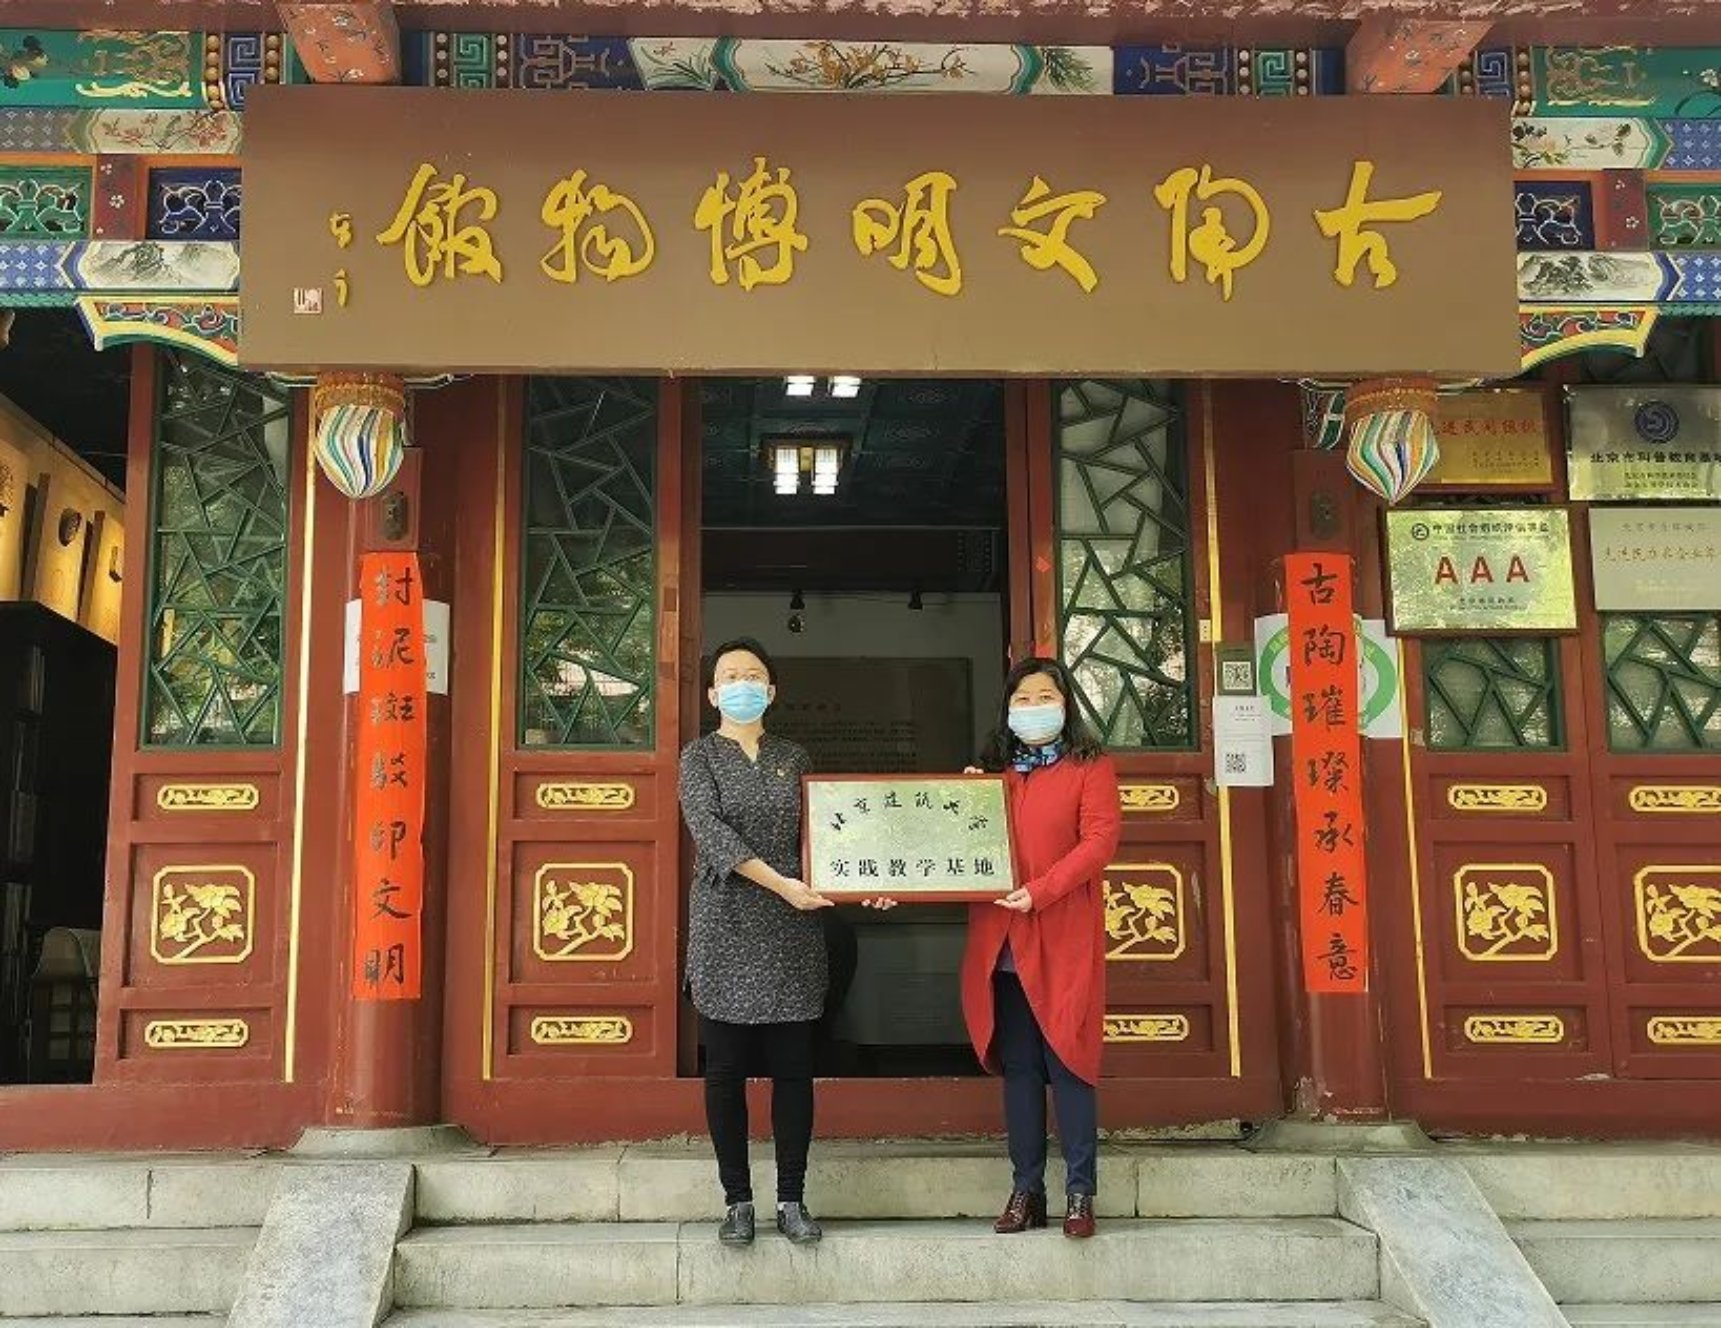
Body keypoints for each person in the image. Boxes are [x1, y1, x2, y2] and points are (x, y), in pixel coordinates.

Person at [678, 637, 833, 1249]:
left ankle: (791, 1199)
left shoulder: (795, 757)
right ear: (713, 694)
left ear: (771, 691)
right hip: (726, 924)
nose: (741, 684)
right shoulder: (698, 756)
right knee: (725, 1071)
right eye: (730, 676)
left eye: (752, 675)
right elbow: (710, 831)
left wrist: (862, 881)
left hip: (792, 928)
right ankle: (737, 1201)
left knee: (794, 1071)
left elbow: (826, 833)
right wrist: (782, 885)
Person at [961, 657, 1120, 1239]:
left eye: (1044, 697)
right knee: (1021, 1069)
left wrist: (1043, 890)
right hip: (1000, 941)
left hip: (1061, 936)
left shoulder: (1089, 766)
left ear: (1066, 703)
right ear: (1007, 709)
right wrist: (963, 802)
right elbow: (956, 852)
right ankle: (1026, 1190)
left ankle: (1080, 1191)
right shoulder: (991, 776)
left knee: (1070, 1061)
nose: (1033, 708)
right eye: (1021, 699)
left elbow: (1100, 841)